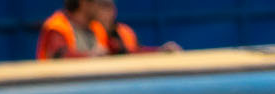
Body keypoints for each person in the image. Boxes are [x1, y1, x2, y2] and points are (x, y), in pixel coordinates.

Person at [37, 0, 176, 57]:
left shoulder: (98, 28)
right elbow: (59, 56)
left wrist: (159, 51)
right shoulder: (57, 27)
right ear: (84, 3)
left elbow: (123, 53)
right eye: (99, 3)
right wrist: (90, 56)